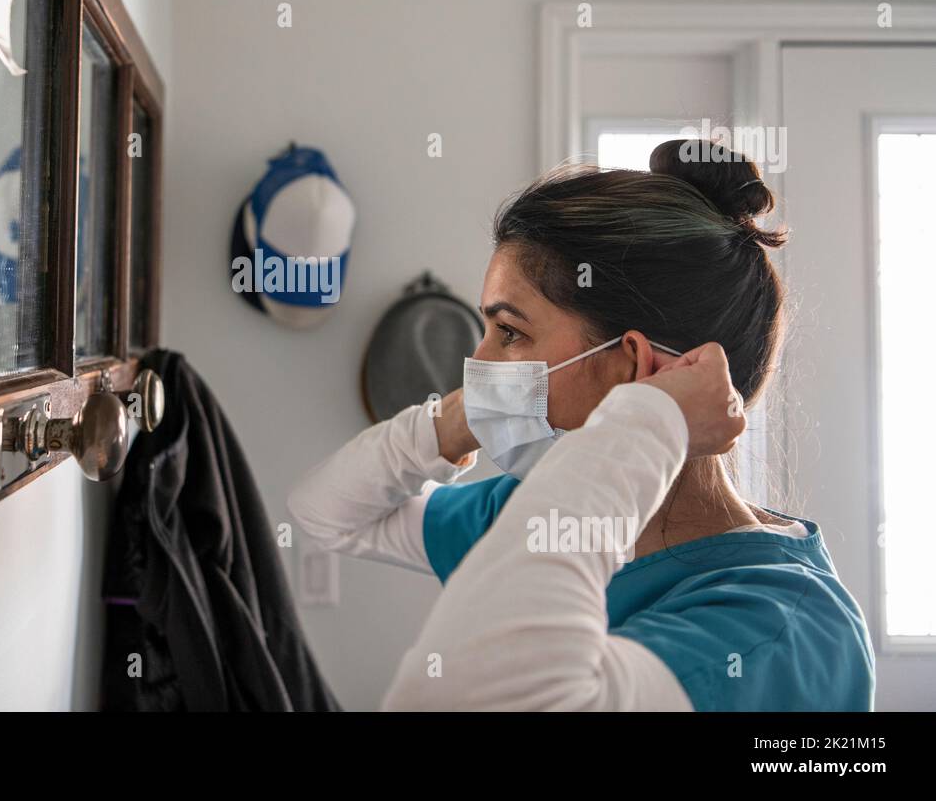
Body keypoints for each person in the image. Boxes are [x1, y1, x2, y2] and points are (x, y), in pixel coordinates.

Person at [287, 140, 875, 711]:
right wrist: (459, 416)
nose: (480, 364)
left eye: (510, 333)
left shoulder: (782, 631)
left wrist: (649, 421)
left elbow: (468, 697)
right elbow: (324, 513)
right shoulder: (533, 516)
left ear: (637, 368)